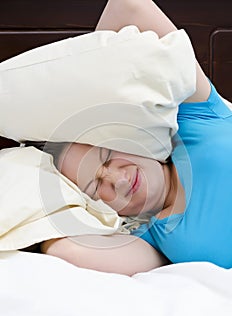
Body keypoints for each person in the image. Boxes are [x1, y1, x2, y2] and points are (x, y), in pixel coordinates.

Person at [40, 0, 232, 276]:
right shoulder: (157, 240)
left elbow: (127, 6)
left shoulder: (196, 118)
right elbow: (64, 251)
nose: (118, 180)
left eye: (107, 156)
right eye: (96, 187)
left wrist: (86, 98)